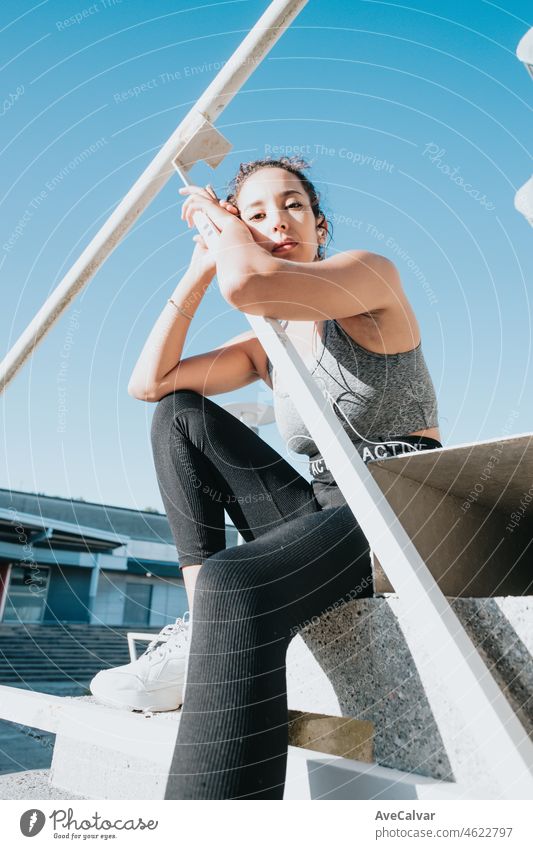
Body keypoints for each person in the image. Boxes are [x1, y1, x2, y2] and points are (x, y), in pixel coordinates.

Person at [91, 156, 442, 799]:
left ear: (320, 224)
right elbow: (150, 384)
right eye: (255, 215)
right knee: (179, 416)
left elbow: (251, 283)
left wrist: (225, 234)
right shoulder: (268, 347)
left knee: (238, 580)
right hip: (322, 506)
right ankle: (202, 628)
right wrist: (200, 267)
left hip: (399, 503)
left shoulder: (368, 278)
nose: (277, 221)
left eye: (292, 206)